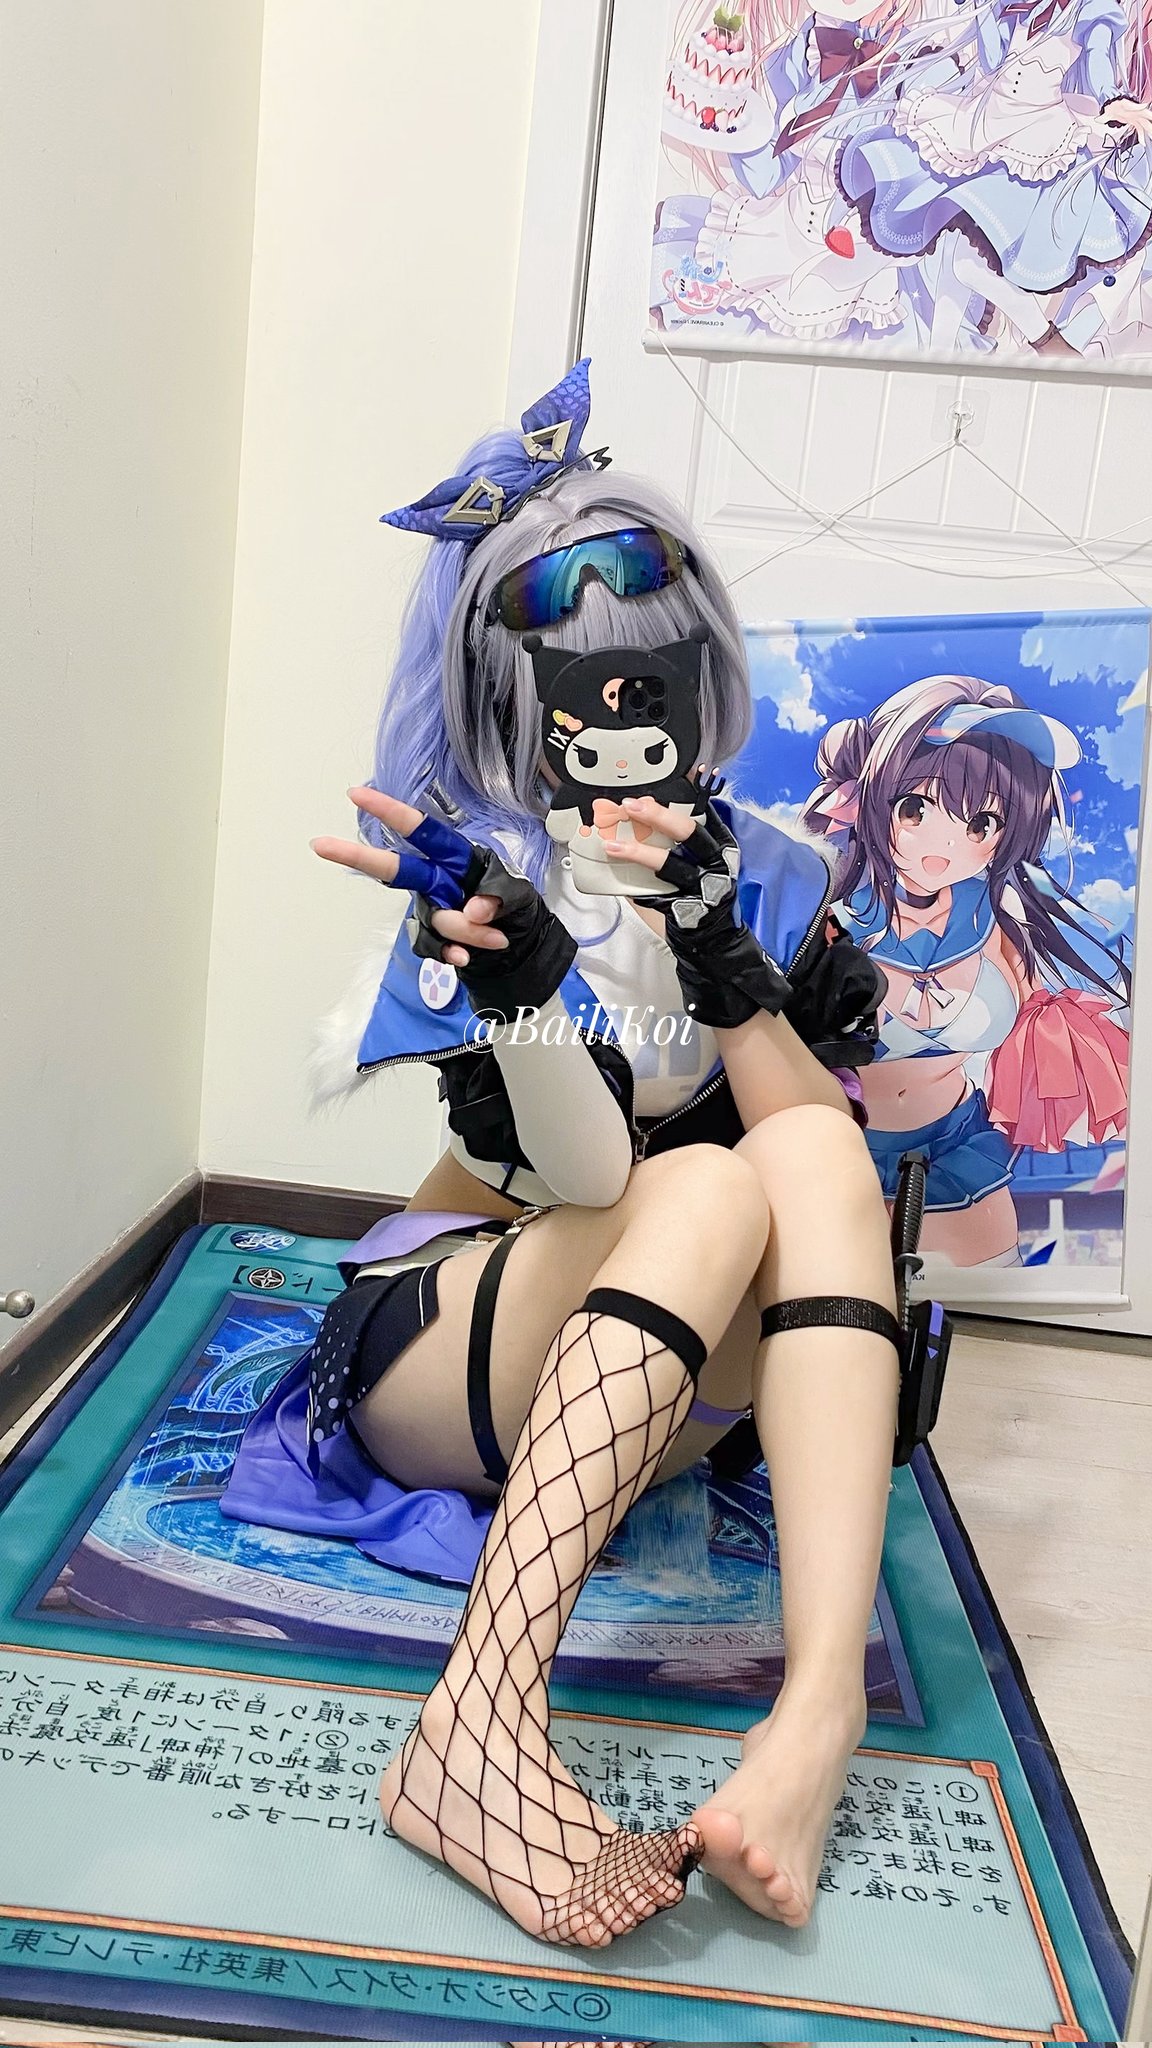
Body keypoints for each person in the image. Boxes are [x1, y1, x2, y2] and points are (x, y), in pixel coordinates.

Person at [223, 361, 907, 1948]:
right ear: (521, 709)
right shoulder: (486, 885)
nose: (619, 725)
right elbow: (588, 1182)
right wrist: (530, 985)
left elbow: (817, 1148)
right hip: (460, 1333)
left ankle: (818, 1713)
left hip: (657, 1380)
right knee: (706, 1179)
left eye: (647, 680)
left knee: (807, 1161)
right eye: (581, 692)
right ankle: (477, 1726)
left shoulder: (768, 872)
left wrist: (718, 948)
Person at [801, 673, 1130, 1265]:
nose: (947, 844)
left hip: (957, 1145)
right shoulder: (831, 914)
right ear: (873, 796)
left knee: (992, 1304)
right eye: (917, 808)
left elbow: (1030, 1021)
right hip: (839, 1152)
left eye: (981, 824)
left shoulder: (995, 918)